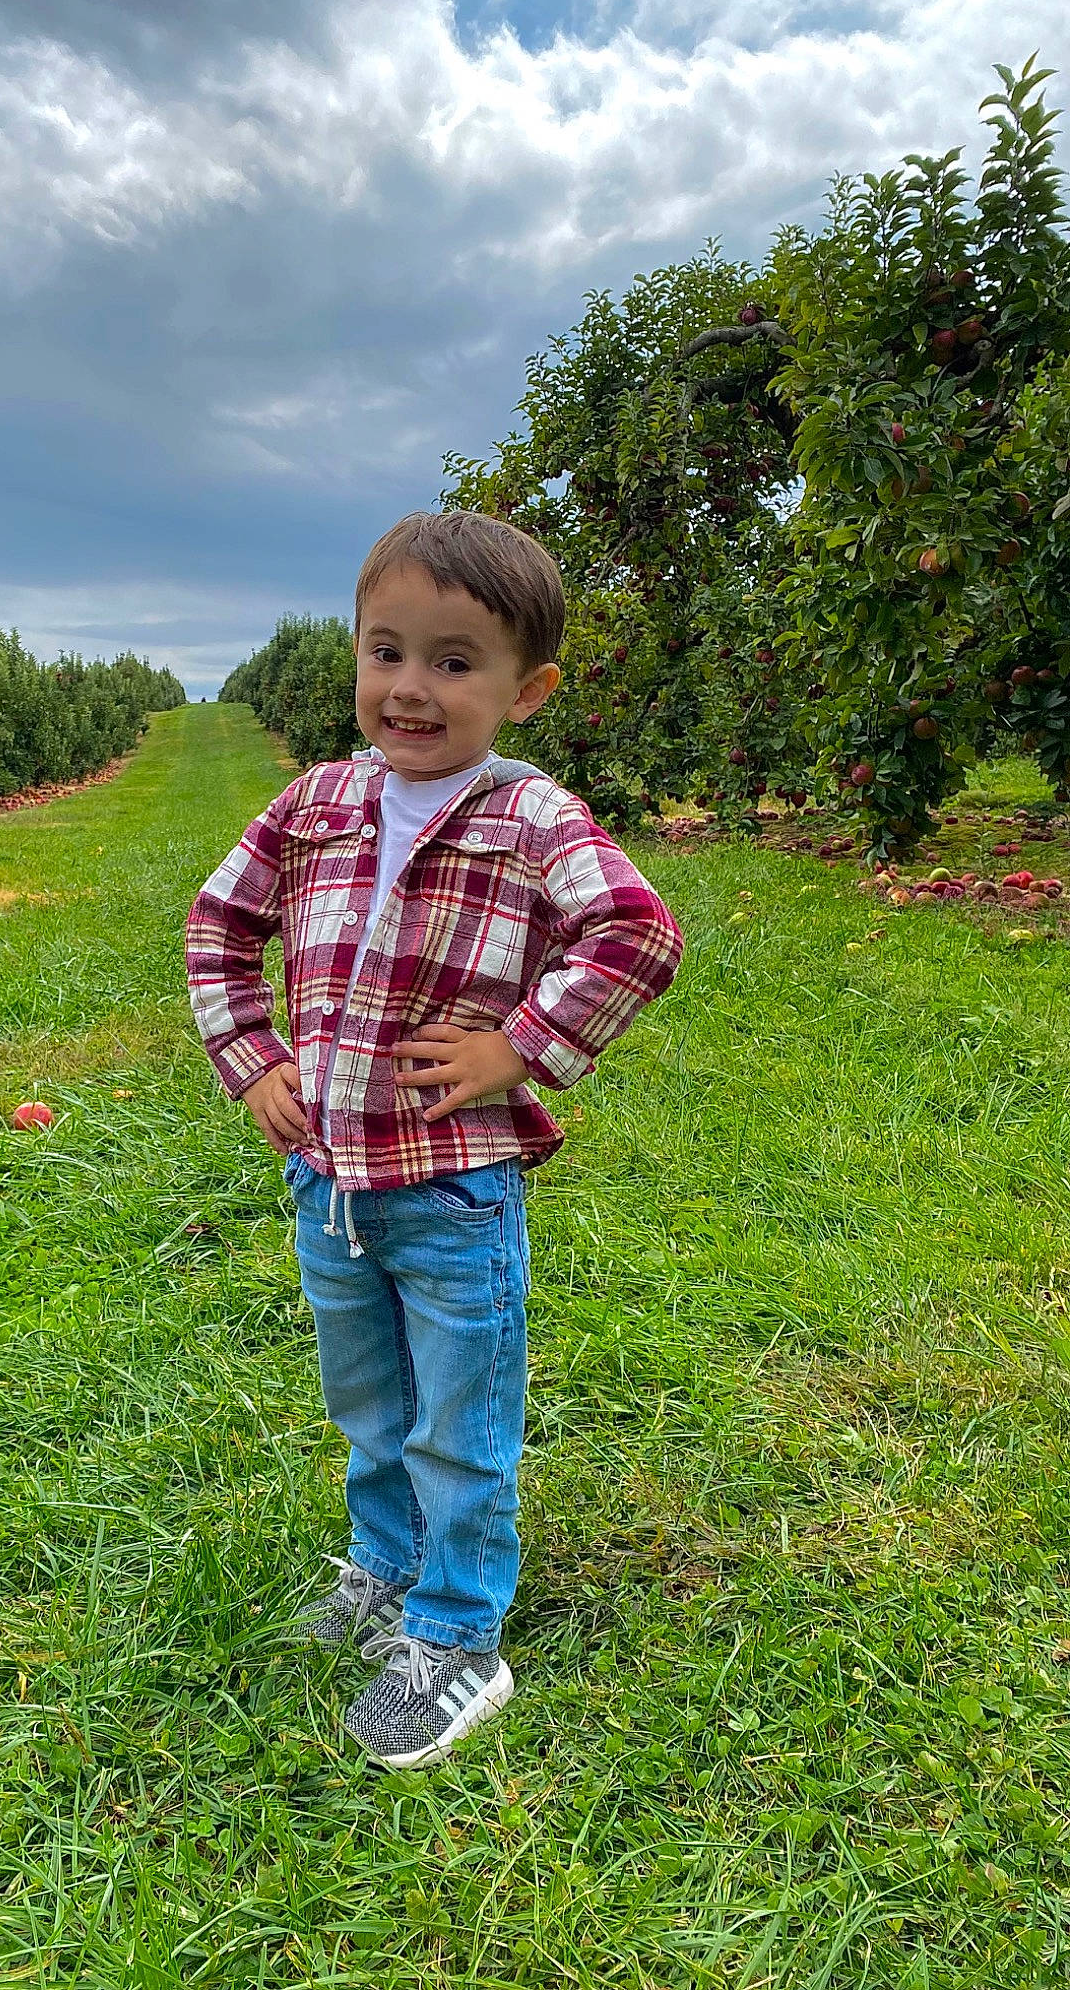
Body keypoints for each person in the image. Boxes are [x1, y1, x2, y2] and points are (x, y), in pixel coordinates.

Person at [186, 510, 683, 1768]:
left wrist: (518, 1045)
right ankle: (385, 1566)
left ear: (529, 687)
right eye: (387, 651)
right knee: (367, 1399)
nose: (412, 688)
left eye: (455, 662)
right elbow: (217, 930)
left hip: (456, 1190)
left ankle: (460, 1631)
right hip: (331, 1182)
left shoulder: (531, 817)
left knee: (458, 1415)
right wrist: (255, 1059)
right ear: (354, 655)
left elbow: (636, 933)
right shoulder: (315, 802)